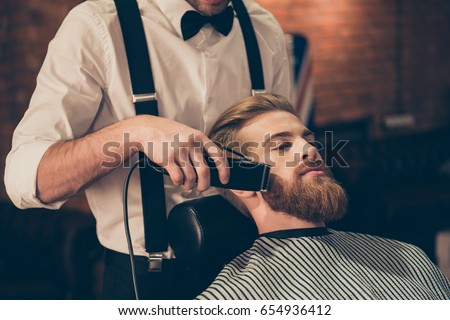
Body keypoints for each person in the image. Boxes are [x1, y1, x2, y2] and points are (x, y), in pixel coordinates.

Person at [4, 0, 293, 299]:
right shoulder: (96, 25)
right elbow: (29, 179)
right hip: (148, 278)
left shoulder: (264, 27)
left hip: (255, 265)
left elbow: (286, 150)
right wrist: (133, 133)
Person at [197, 94, 450, 300]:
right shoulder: (232, 299)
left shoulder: (410, 256)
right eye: (283, 146)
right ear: (242, 181)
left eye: (310, 141)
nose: (311, 151)